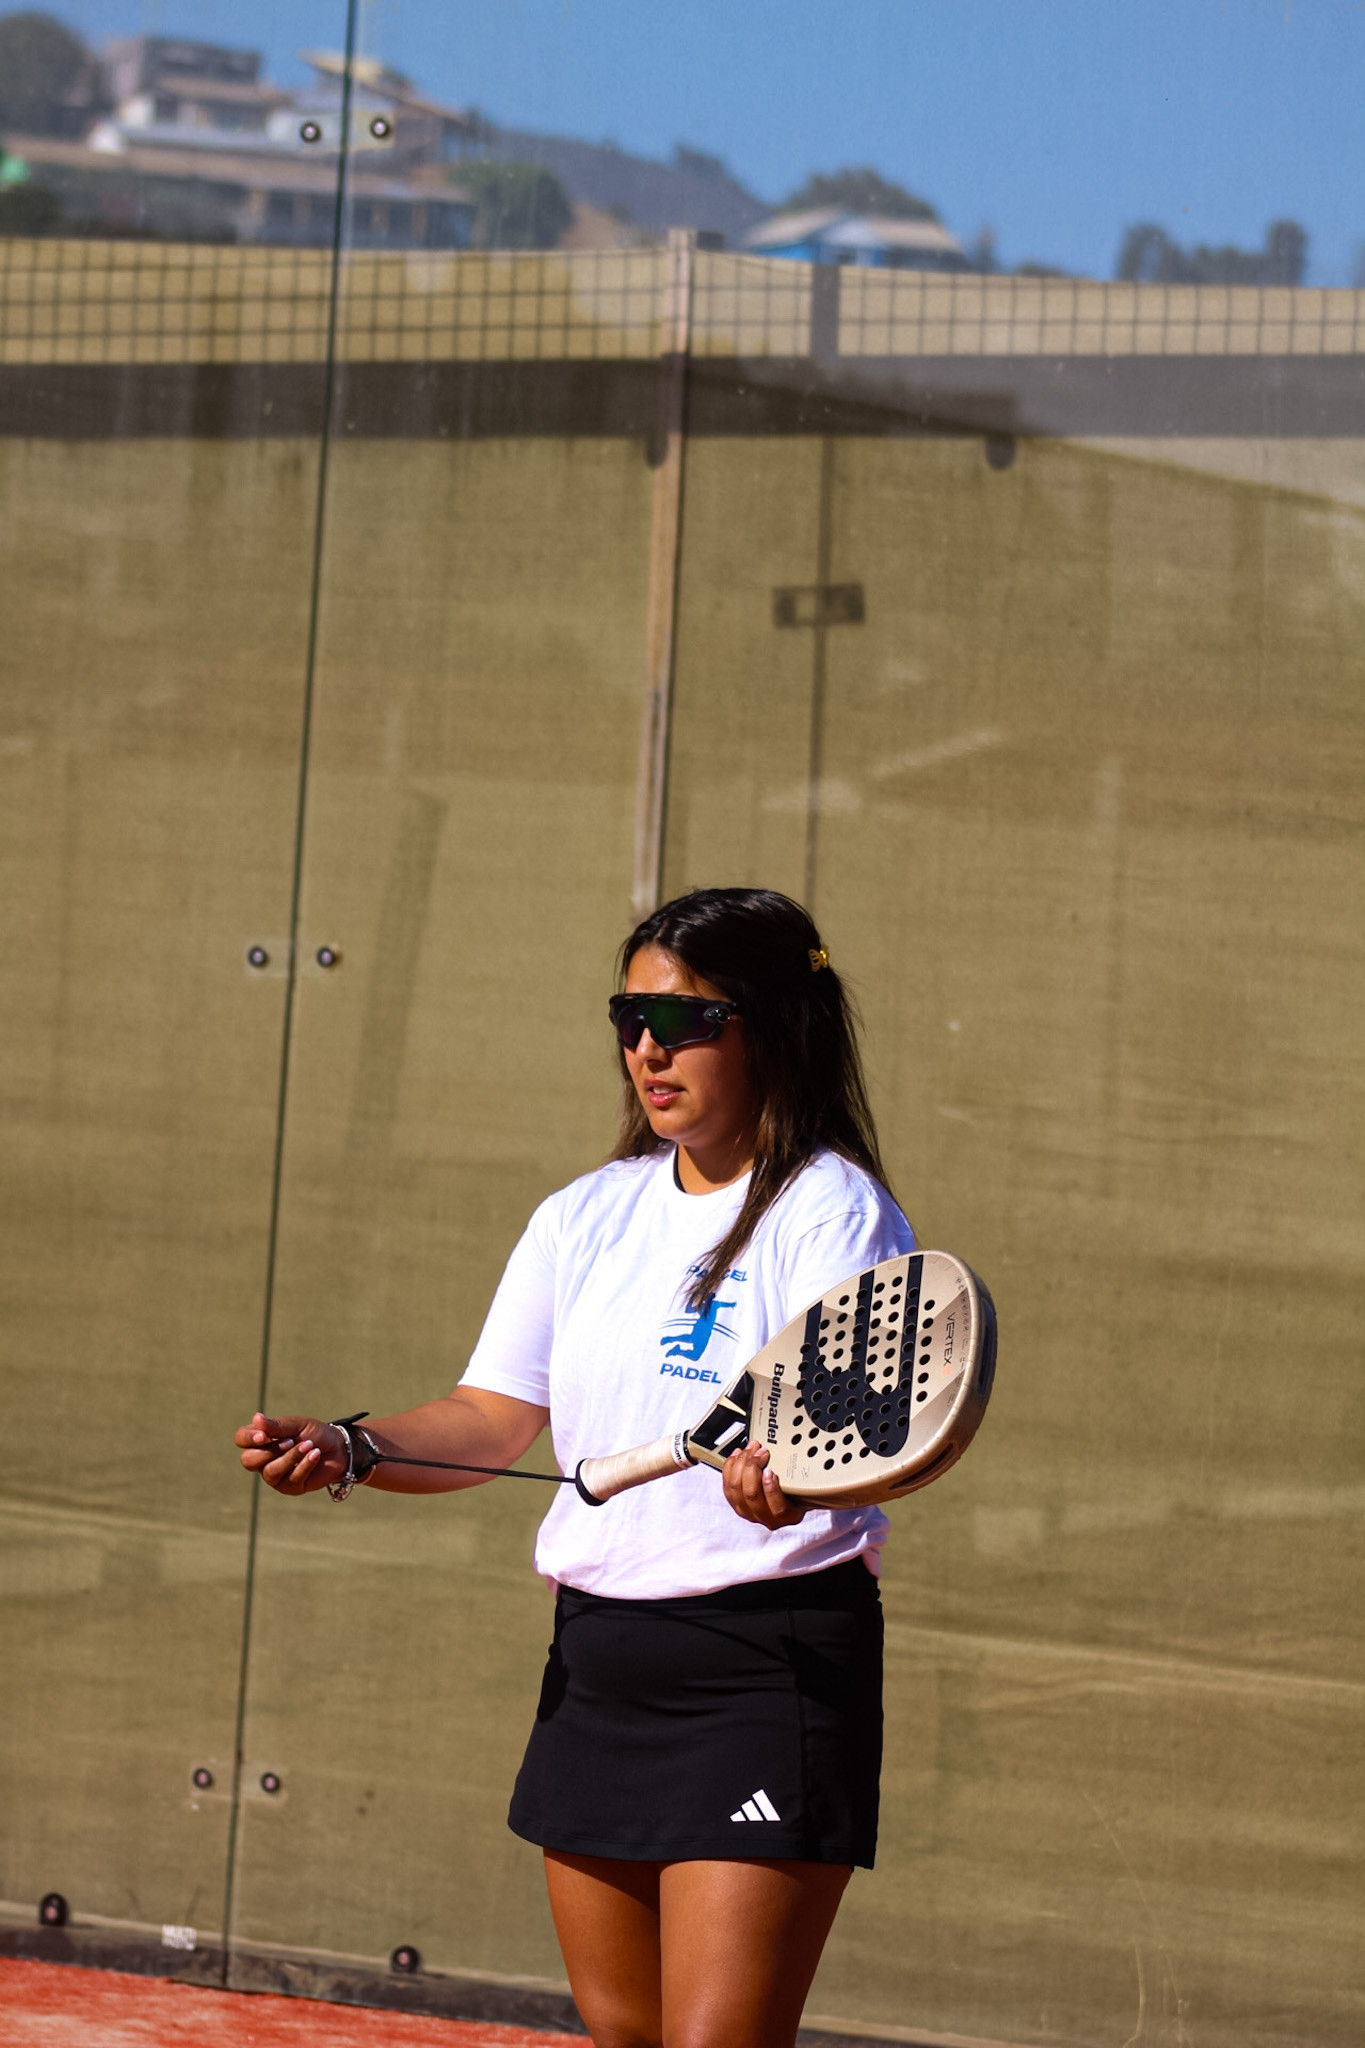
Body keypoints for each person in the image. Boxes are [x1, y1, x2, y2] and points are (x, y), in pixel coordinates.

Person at [235, 886, 914, 2048]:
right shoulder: (582, 1215)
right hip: (597, 1666)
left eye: (685, 1019)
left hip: (767, 1667)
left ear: (772, 1024)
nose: (648, 1047)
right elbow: (488, 1416)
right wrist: (352, 1447)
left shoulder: (835, 1212)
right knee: (627, 2037)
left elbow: (859, 1447)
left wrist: (793, 1484)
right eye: (629, 1016)